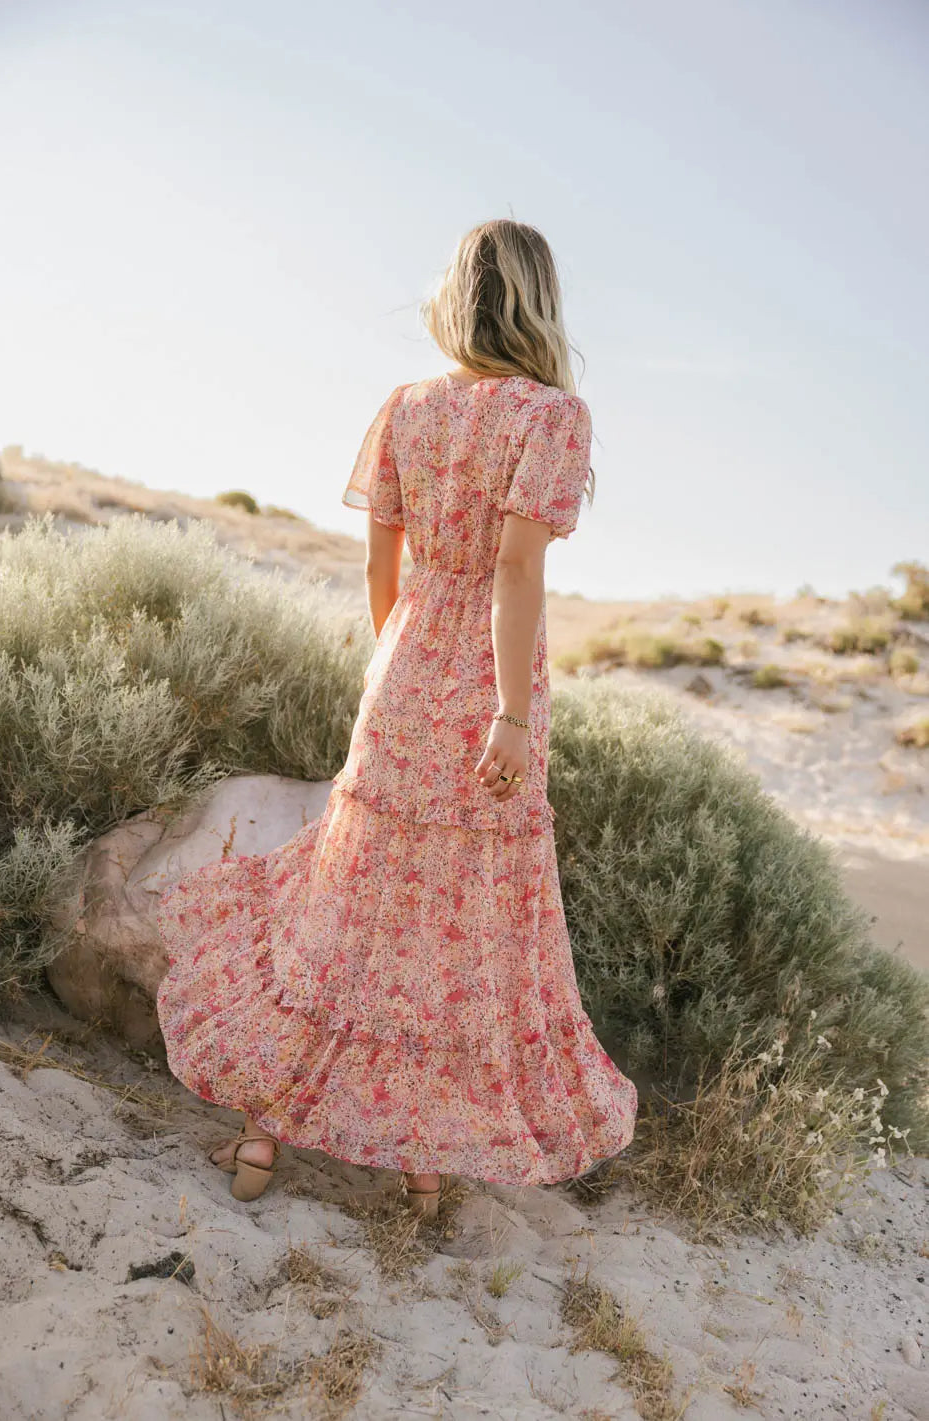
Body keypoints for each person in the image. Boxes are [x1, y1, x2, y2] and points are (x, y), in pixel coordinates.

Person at [155, 218, 638, 1219]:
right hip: (485, 686)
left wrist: (399, 666)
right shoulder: (551, 417)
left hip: (404, 667)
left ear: (455, 298)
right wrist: (507, 709)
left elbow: (383, 567)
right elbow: (515, 570)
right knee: (454, 924)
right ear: (539, 300)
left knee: (352, 901)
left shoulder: (406, 408)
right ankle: (422, 1159)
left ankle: (262, 1132)